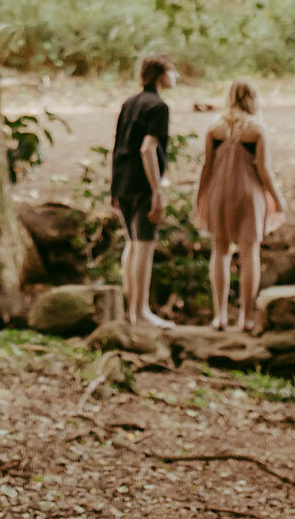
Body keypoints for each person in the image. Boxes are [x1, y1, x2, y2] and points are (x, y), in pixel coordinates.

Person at [192, 78, 286, 333]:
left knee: (220, 251)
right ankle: (245, 317)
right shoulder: (256, 129)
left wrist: (200, 195)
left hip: (220, 193)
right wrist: (278, 198)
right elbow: (264, 170)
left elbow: (207, 167)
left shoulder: (215, 127)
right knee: (249, 253)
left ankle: (220, 315)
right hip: (248, 194)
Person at [109, 55, 176, 328]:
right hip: (142, 182)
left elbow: (117, 146)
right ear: (161, 75)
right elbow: (147, 148)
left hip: (123, 180)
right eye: (173, 71)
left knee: (132, 243)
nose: (177, 76)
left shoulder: (129, 103)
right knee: (144, 246)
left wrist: (113, 187)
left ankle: (132, 311)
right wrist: (157, 190)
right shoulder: (158, 106)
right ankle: (141, 311)